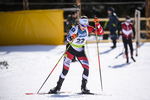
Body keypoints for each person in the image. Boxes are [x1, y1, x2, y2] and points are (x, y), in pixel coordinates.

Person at [49, 16, 104, 94]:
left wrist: (97, 24)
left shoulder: (88, 28)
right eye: (83, 25)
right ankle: (57, 87)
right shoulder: (75, 28)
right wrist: (72, 37)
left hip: (80, 51)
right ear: (79, 24)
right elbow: (66, 39)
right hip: (70, 50)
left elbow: (101, 33)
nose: (84, 27)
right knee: (65, 70)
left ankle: (83, 88)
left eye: (86, 25)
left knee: (86, 67)